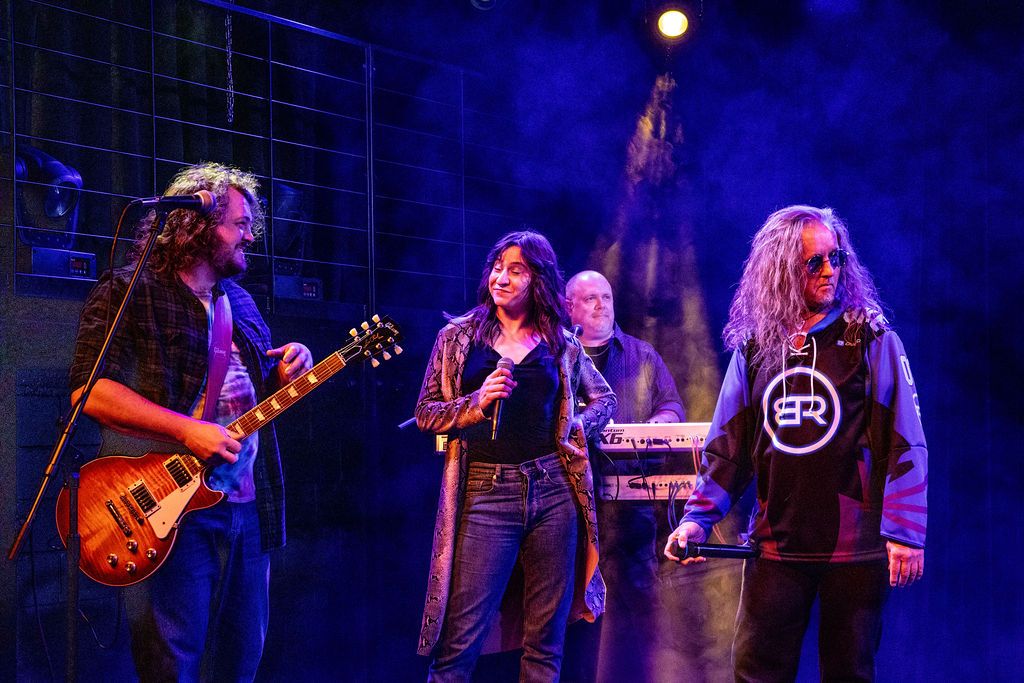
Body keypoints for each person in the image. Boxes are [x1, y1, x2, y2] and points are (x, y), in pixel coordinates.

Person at [69, 163, 313, 681]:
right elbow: (90, 391)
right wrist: (186, 430)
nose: (251, 236)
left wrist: (290, 366)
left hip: (249, 506)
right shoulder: (131, 291)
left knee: (241, 660)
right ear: (199, 224)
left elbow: (251, 396)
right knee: (172, 663)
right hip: (171, 508)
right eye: (240, 223)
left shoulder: (240, 302)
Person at [664, 205, 928, 682]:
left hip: (853, 550)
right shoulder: (755, 348)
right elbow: (727, 448)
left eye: (836, 258)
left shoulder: (868, 336)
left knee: (849, 674)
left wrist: (905, 532)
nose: (830, 270)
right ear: (782, 270)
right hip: (776, 548)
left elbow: (905, 440)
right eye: (814, 262)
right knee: (755, 672)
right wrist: (696, 519)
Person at [415, 231, 617, 681]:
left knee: (545, 645)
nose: (501, 278)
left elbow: (605, 399)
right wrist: (476, 402)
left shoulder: (561, 342)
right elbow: (425, 413)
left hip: (554, 490)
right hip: (485, 493)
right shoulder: (458, 338)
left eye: (516, 270)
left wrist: (576, 427)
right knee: (458, 645)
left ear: (538, 279)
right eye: (497, 268)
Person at [562, 270, 686, 681]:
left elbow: (672, 408)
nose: (601, 305)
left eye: (607, 297)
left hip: (631, 510)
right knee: (572, 613)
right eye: (591, 299)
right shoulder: (555, 357)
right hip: (567, 508)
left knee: (636, 611)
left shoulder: (641, 355)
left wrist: (653, 427)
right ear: (568, 307)